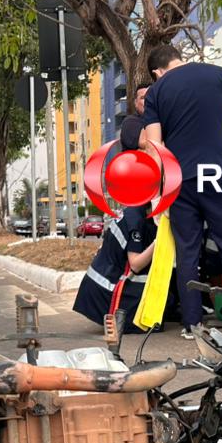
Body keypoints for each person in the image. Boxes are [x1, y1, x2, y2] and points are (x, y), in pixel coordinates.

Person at [143, 44, 222, 339]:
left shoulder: (156, 92)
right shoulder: (219, 75)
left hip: (180, 181)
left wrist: (159, 194)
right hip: (218, 176)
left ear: (157, 71)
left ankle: (192, 325)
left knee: (187, 253)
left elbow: (156, 148)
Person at [73, 115, 159, 331]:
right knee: (154, 324)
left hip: (97, 291)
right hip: (108, 296)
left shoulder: (133, 210)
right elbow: (137, 263)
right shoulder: (136, 218)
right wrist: (163, 240)